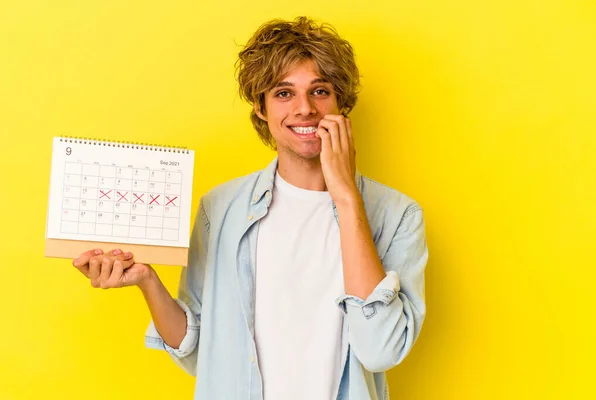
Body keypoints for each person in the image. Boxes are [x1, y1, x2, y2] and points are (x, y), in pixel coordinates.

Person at [72, 16, 428, 400]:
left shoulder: (398, 216)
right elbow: (199, 355)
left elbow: (381, 351)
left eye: (320, 90)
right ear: (261, 108)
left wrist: (345, 196)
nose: (304, 108)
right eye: (283, 93)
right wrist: (146, 280)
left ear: (341, 102)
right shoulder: (221, 208)